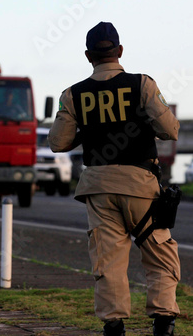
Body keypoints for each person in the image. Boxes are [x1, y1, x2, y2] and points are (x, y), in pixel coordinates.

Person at [48, 22, 180, 336]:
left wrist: (90, 130)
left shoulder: (73, 94)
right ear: (119, 51)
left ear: (87, 55)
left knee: (108, 259)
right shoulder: (142, 84)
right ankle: (163, 322)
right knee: (160, 252)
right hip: (139, 185)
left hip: (98, 188)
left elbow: (57, 143)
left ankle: (114, 325)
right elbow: (170, 130)